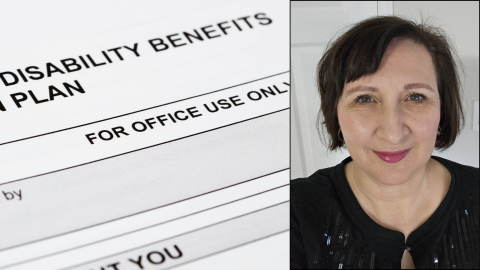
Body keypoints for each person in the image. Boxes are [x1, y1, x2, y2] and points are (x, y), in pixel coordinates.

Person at [290, 15, 479, 269]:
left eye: (416, 97)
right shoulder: (292, 212)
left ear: (442, 112)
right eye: (365, 99)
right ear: (335, 113)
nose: (393, 133)